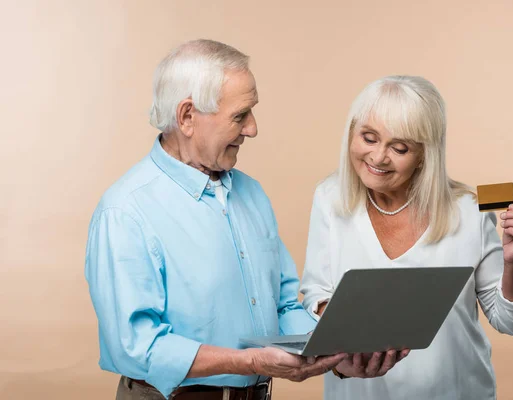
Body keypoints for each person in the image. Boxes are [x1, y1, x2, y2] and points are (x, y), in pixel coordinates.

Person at [84, 39, 355, 400]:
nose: (253, 128)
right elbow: (137, 346)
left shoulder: (252, 194)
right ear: (187, 117)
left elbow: (284, 305)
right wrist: (249, 362)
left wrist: (336, 353)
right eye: (240, 115)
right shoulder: (125, 211)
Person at [300, 75, 513, 400]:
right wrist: (346, 338)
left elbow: (512, 324)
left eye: (399, 148)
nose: (378, 157)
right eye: (368, 138)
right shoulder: (330, 197)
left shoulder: (470, 209)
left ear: (425, 154)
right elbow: (316, 294)